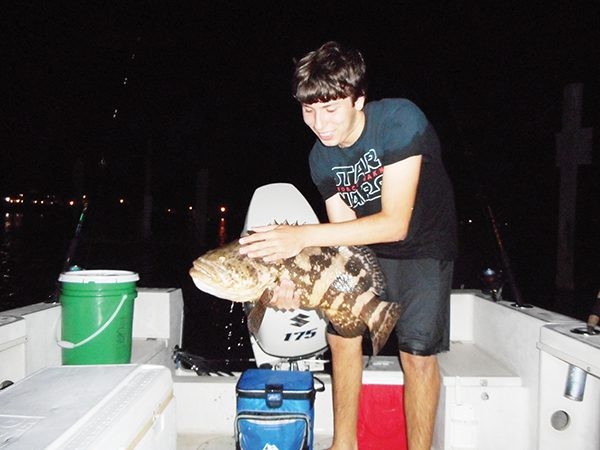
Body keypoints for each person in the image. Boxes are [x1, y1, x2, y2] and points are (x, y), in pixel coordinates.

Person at [239, 41, 457, 450]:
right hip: (367, 247)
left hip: (423, 246)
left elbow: (395, 224)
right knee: (342, 334)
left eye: (330, 109)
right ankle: (344, 444)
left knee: (416, 353)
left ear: (359, 99)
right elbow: (344, 234)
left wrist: (301, 235)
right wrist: (289, 291)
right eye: (308, 110)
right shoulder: (321, 157)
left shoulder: (399, 120)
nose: (319, 123)